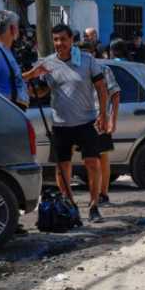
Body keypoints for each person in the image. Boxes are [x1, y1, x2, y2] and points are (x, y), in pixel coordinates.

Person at [22, 24, 110, 223]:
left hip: (86, 121)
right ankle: (69, 205)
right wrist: (30, 77)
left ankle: (94, 206)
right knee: (62, 166)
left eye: (63, 39)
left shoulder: (87, 60)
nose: (59, 43)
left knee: (92, 163)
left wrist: (104, 114)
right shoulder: (48, 63)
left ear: (71, 40)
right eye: (56, 39)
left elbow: (101, 88)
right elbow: (42, 91)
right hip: (61, 124)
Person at [80, 41, 121, 206]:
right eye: (81, 53)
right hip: (81, 121)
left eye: (87, 52)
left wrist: (112, 120)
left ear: (93, 53)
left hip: (100, 119)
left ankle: (103, 193)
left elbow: (115, 95)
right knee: (88, 160)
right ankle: (94, 194)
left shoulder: (104, 70)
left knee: (102, 157)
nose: (84, 56)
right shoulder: (76, 71)